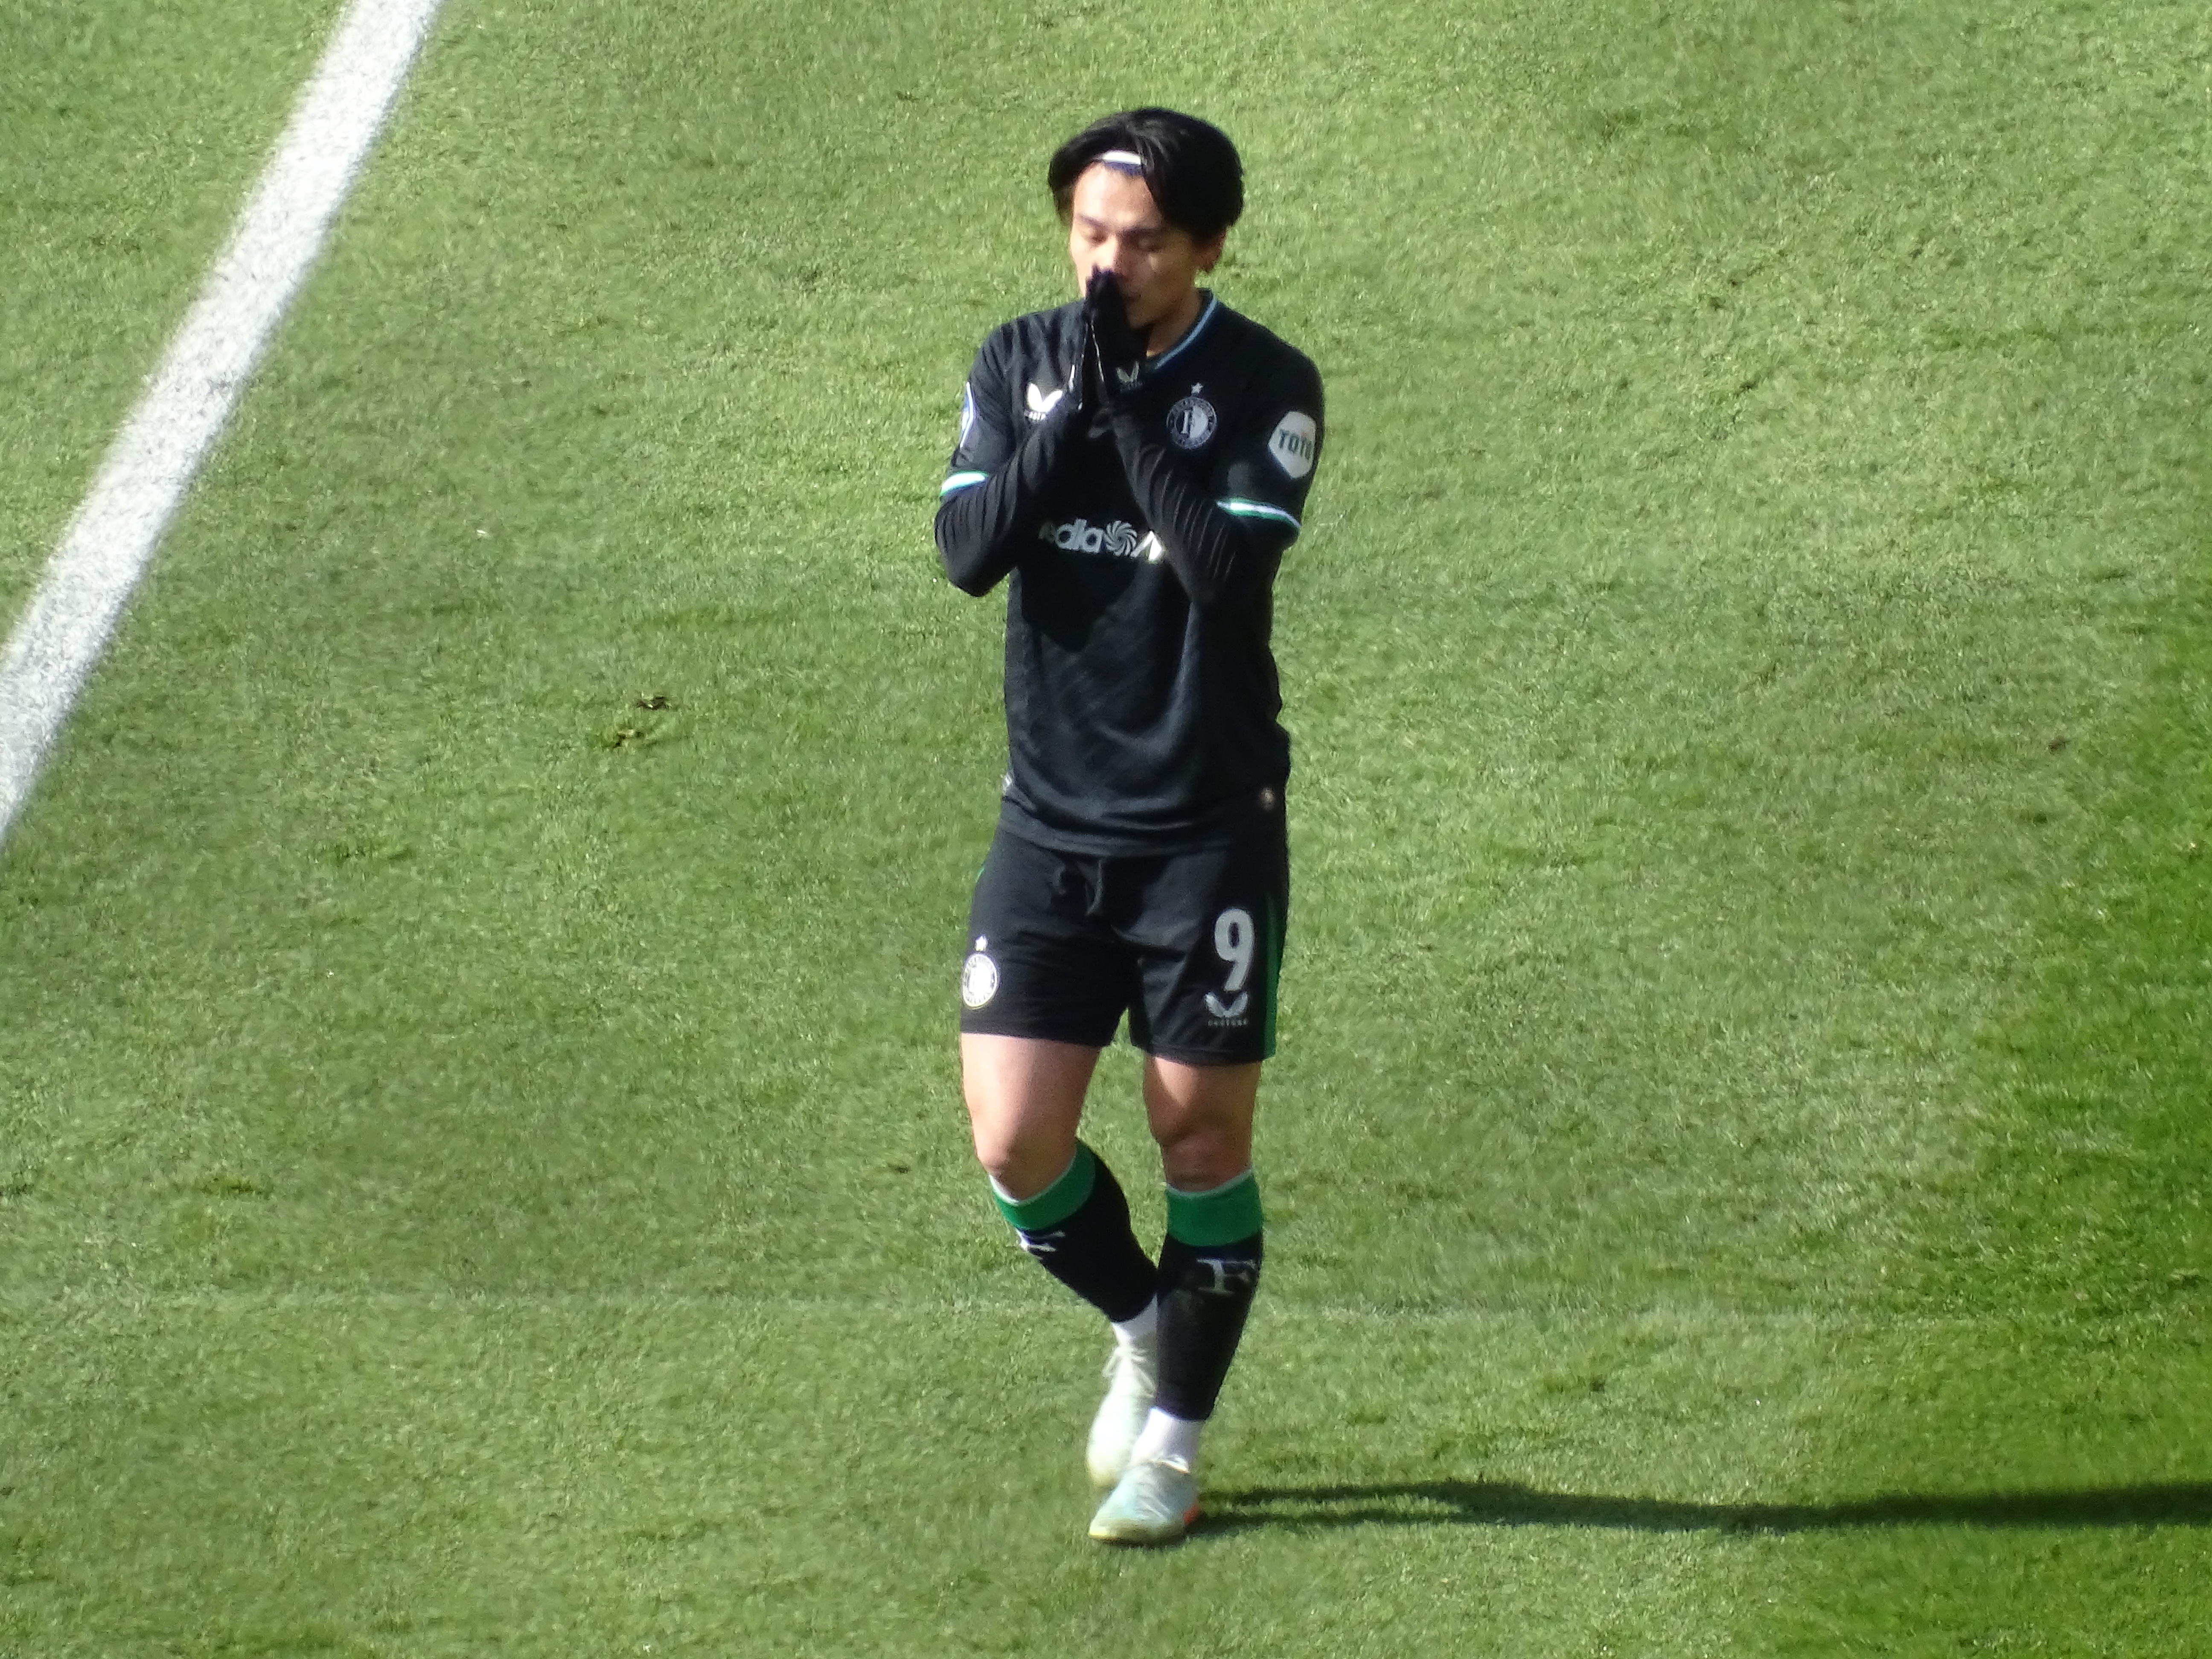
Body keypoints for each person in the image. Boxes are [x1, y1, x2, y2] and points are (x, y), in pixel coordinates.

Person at [934, 108, 1324, 1545]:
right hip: (1049, 824)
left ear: (1209, 245)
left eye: (1145, 243)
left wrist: (1128, 416)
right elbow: (971, 552)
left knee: (1197, 1138)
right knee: (1014, 1140)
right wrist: (1074, 410)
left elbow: (1224, 574)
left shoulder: (1269, 382)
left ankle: (1175, 1446)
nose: (1110, 265)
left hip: (1203, 829)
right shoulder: (1018, 361)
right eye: (1091, 235)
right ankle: (1147, 1325)